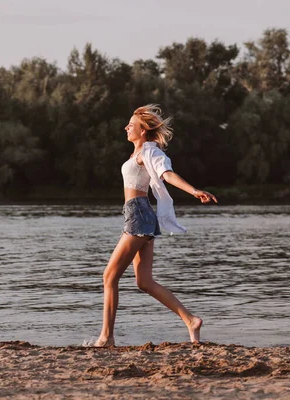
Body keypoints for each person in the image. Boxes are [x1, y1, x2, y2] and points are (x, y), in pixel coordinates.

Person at [92, 104, 217, 347]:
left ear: (143, 130)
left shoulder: (149, 151)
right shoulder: (138, 153)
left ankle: (106, 338)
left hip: (139, 214)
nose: (126, 127)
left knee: (109, 276)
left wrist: (193, 191)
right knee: (144, 282)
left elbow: (166, 174)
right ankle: (190, 320)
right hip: (139, 214)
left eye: (132, 125)